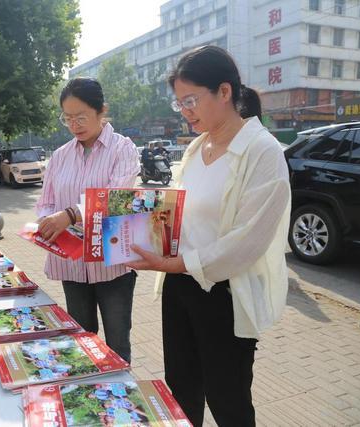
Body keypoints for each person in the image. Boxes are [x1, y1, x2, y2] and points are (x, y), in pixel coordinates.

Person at [126, 45, 291, 426]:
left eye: (191, 100)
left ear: (225, 92)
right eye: (179, 103)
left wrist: (178, 262)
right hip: (178, 286)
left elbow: (247, 242)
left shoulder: (262, 152)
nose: (185, 111)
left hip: (224, 295)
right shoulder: (199, 147)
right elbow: (181, 213)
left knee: (228, 399)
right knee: (180, 391)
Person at [36, 77, 140, 363]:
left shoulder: (123, 149)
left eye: (81, 117)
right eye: (67, 118)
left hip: (113, 265)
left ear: (101, 110)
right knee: (82, 342)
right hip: (73, 263)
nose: (74, 124)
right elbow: (46, 203)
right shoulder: (60, 156)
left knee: (117, 343)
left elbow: (117, 197)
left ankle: (121, 401)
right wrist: (46, 224)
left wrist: (70, 214)